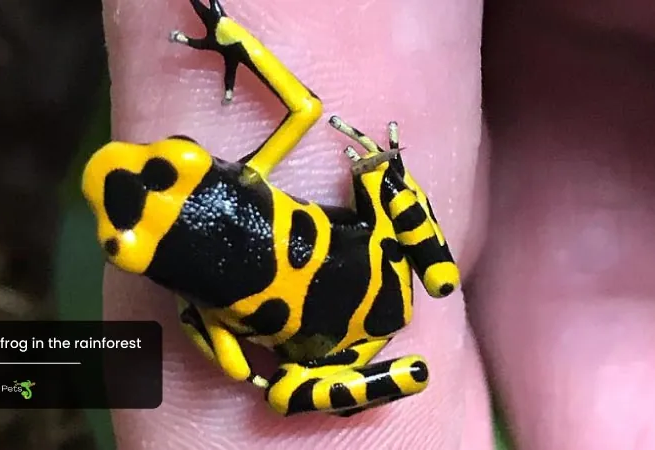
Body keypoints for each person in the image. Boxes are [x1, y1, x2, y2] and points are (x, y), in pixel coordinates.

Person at [100, 0, 655, 448]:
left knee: (276, 395)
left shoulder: (209, 304)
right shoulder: (249, 180)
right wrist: (230, 36)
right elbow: (304, 108)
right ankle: (387, 184)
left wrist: (194, 320)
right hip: (368, 304)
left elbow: (240, 368)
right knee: (378, 188)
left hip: (370, 297)